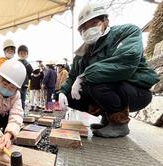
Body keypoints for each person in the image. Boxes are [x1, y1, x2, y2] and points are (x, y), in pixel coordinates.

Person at [59, 2, 159, 138]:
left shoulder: (127, 33)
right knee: (71, 96)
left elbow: (126, 62)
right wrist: (62, 92)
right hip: (106, 89)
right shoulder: (82, 53)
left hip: (135, 92)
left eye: (94, 23)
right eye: (84, 27)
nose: (89, 29)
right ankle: (108, 118)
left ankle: (119, 124)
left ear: (105, 21)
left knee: (95, 82)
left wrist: (84, 76)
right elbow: (72, 76)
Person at [17, 45, 33, 111]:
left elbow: (31, 74)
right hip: (16, 85)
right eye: (21, 53)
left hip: (24, 86)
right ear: (18, 54)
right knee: (16, 100)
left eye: (24, 53)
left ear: (27, 54)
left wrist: (27, 80)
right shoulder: (16, 63)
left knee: (22, 100)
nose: (23, 54)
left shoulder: (28, 65)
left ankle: (22, 114)